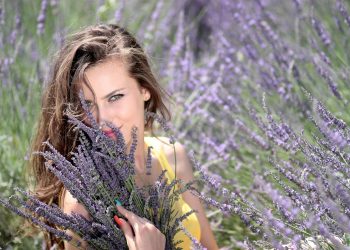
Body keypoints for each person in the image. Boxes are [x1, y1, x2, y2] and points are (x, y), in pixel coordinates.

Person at [28, 24, 219, 250]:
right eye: (87, 104)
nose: (103, 118)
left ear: (144, 89)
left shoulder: (172, 154)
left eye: (115, 97)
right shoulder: (83, 201)